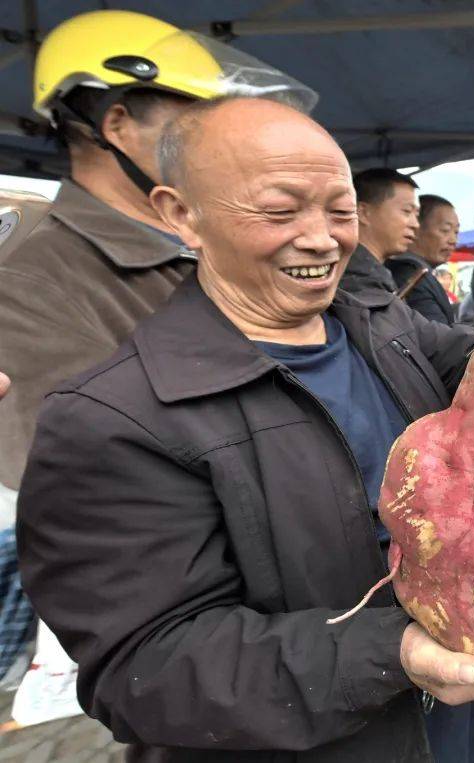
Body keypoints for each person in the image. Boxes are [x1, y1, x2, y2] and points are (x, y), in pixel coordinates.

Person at [17, 97, 474, 761]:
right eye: (281, 210)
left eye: (340, 210)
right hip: (324, 736)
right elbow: (146, 665)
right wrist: (390, 653)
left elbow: (455, 357)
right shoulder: (113, 418)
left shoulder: (375, 322)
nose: (322, 238)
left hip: (466, 701)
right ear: (182, 215)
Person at [0, 8, 315, 722]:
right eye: (196, 120)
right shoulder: (29, 277)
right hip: (175, 647)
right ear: (117, 126)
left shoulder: (204, 246)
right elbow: (101, 485)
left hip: (282, 615)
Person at [354, 186, 474, 329]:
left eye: (456, 232)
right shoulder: (409, 275)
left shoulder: (414, 272)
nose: (453, 240)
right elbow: (434, 341)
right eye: (445, 230)